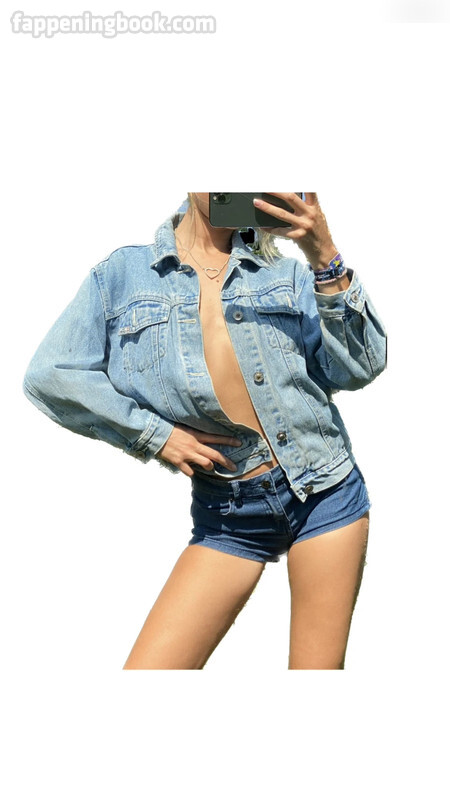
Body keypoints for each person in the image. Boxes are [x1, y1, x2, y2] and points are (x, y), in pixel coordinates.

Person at [22, 192, 388, 670]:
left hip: (323, 491)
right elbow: (50, 375)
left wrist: (324, 255)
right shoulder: (123, 278)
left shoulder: (285, 272)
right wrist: (154, 436)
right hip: (228, 513)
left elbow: (358, 368)